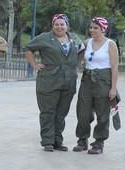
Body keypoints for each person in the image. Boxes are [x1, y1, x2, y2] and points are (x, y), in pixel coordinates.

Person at [23, 14, 82, 152]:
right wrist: (35, 65)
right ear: (53, 25)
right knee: (48, 112)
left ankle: (57, 141)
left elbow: (82, 50)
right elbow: (28, 49)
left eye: (62, 24)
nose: (59, 27)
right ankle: (48, 141)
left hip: (68, 81)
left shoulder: (73, 38)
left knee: (61, 113)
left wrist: (76, 64)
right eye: (57, 24)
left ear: (67, 26)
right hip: (49, 80)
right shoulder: (45, 37)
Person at [73, 17, 119, 155]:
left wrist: (113, 88)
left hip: (103, 80)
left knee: (103, 113)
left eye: (95, 28)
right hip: (87, 79)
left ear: (103, 29)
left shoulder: (110, 44)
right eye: (91, 27)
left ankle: (99, 142)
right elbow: (77, 60)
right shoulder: (87, 43)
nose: (92, 30)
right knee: (82, 112)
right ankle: (82, 139)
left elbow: (115, 67)